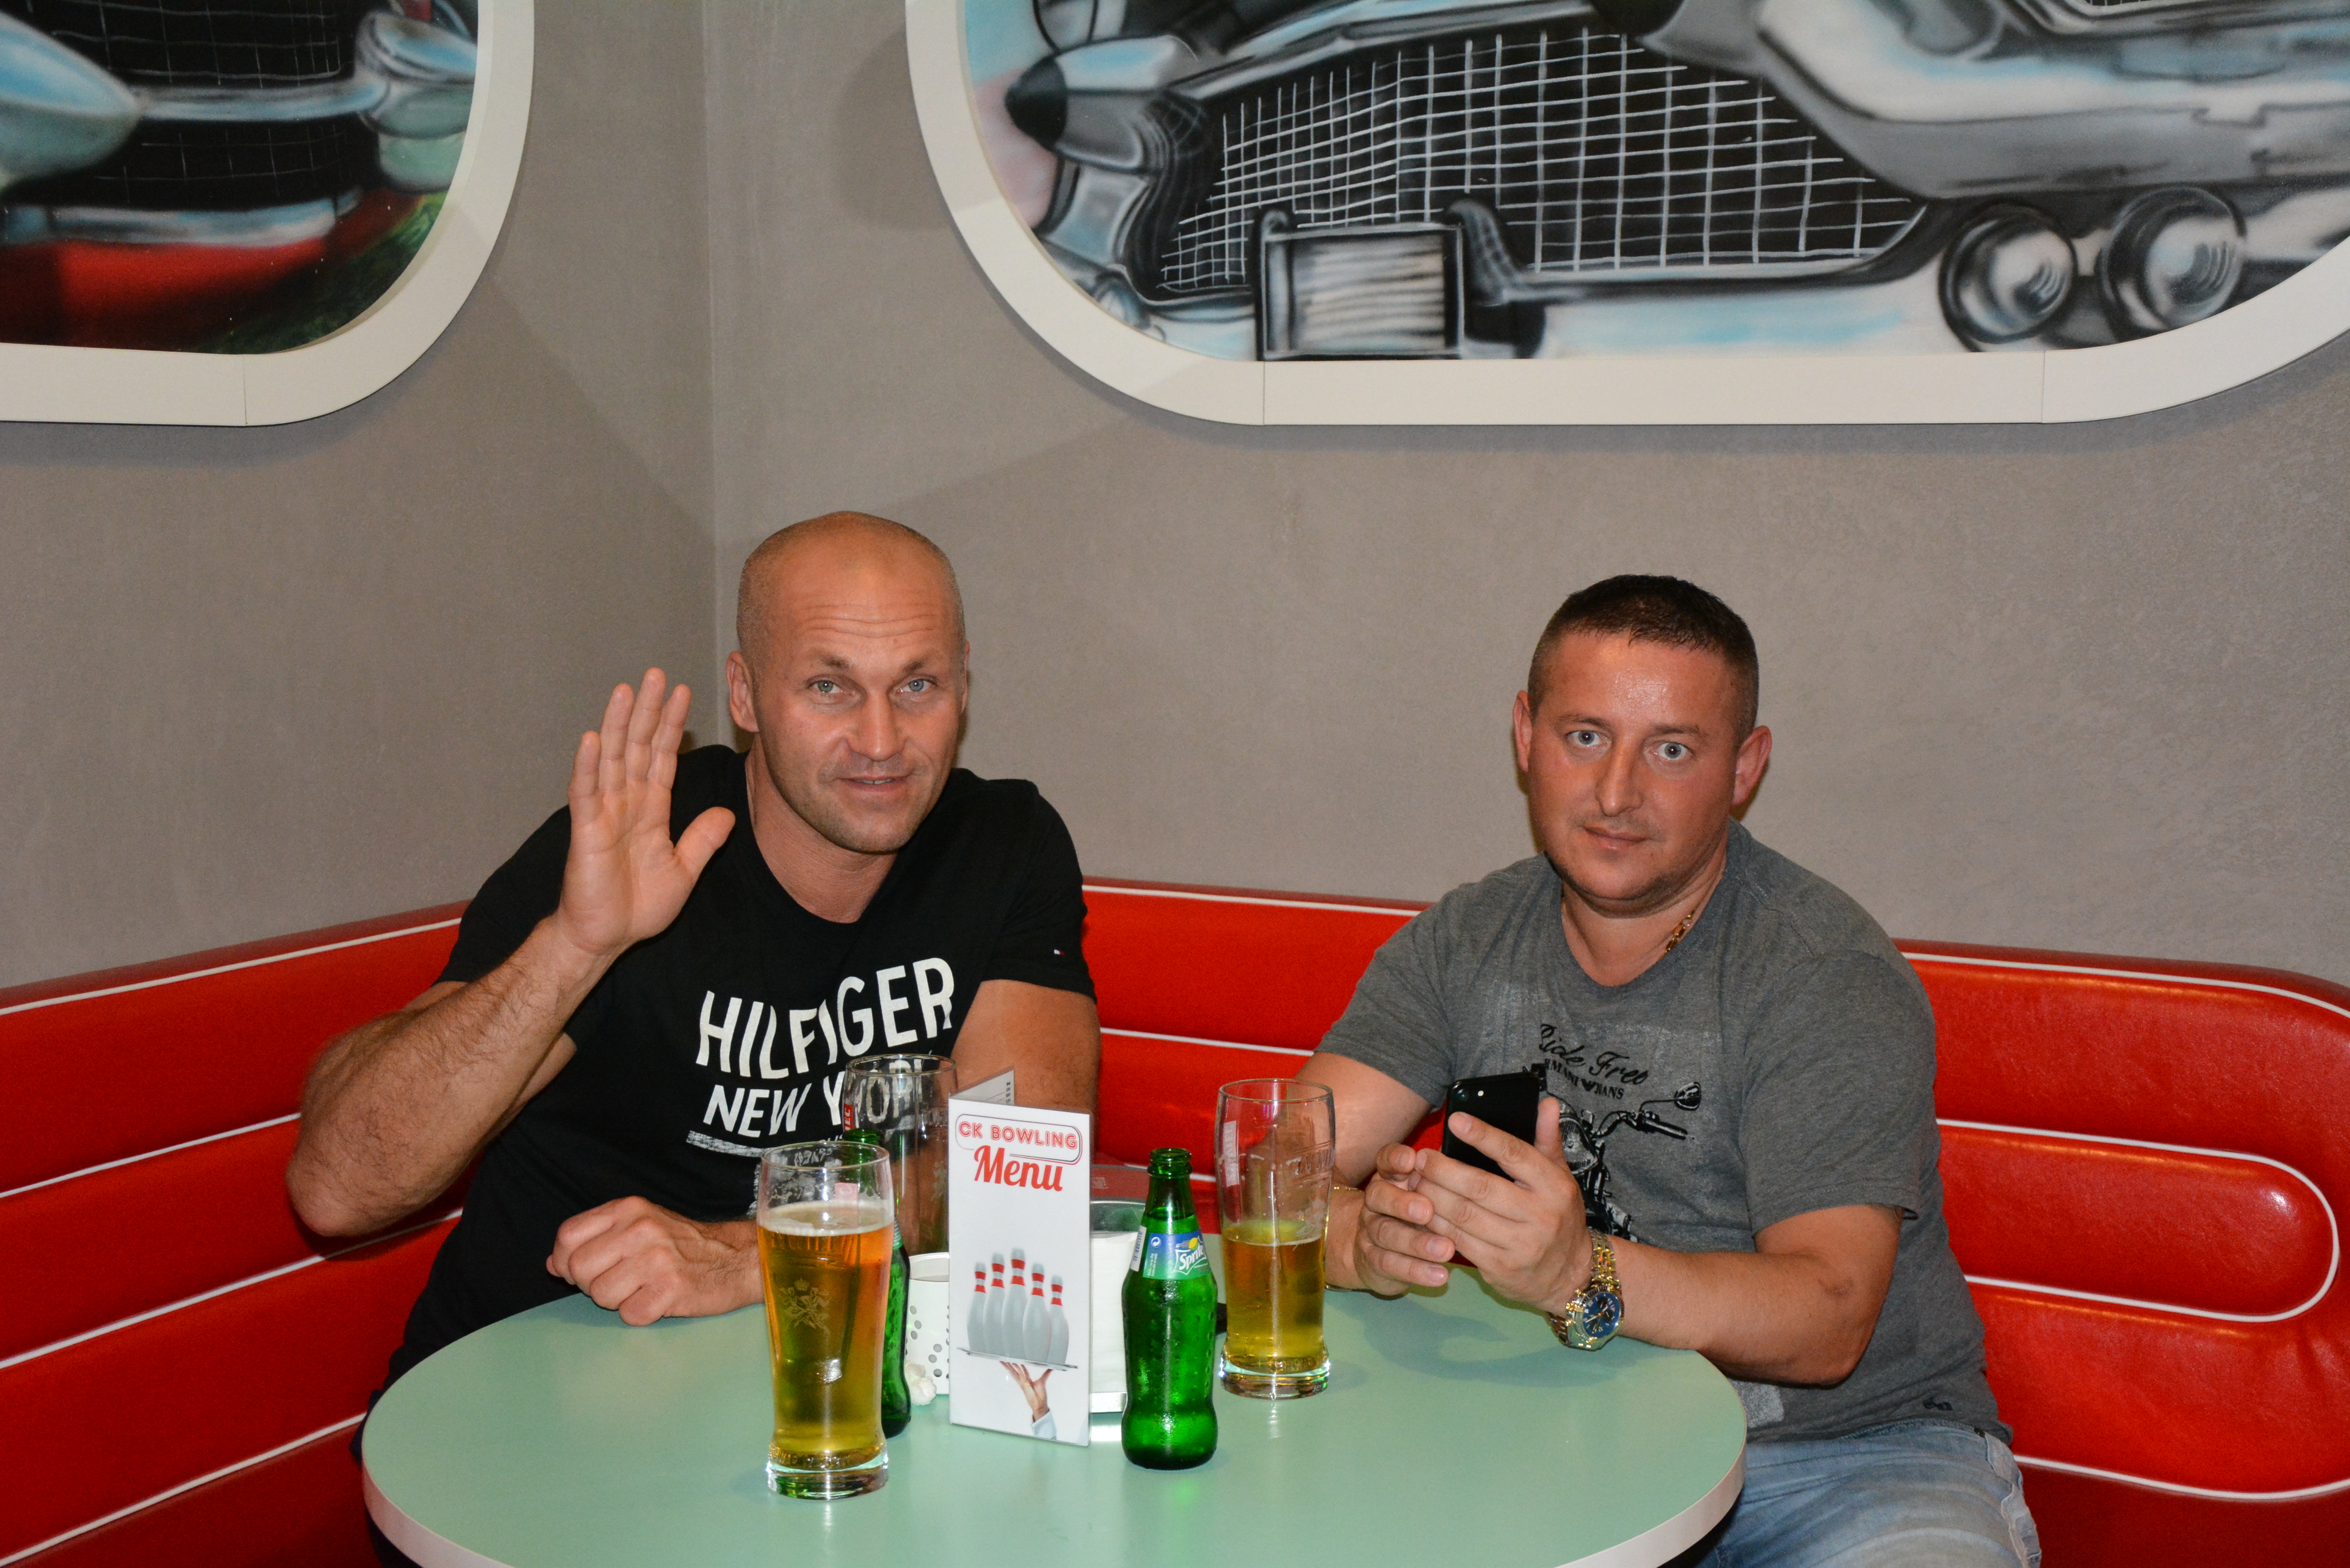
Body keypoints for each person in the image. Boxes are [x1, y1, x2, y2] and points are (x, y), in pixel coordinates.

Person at [1301, 577, 2038, 1567]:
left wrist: (1577, 1272)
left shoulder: (1825, 975)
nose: (1617, 793)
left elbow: (1829, 1318)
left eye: (1674, 750)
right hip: (1547, 1443)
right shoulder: (1465, 940)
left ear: (1745, 768)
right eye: (1585, 737)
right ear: (1525, 738)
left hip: (1847, 1467)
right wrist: (1360, 1239)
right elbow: (1280, 1171)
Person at [287, 511, 1100, 1390]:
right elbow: (338, 1193)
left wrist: (750, 1256)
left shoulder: (1003, 846)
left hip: (805, 1399)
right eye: (829, 687)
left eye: (918, 685)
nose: (880, 741)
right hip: (533, 1396)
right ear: (744, 697)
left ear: (964, 687)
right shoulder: (640, 843)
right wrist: (576, 946)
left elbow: (1021, 1187)